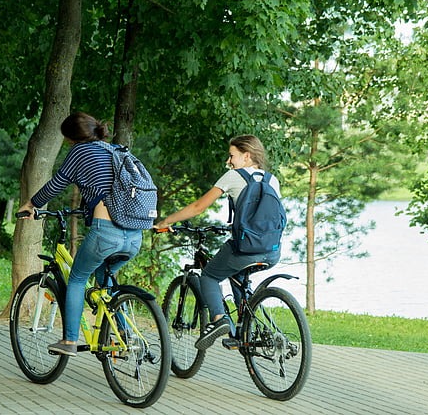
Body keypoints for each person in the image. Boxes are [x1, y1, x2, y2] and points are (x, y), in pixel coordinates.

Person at [17, 112, 143, 356]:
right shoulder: (113, 150)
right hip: (135, 235)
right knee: (105, 278)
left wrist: (31, 204)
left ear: (72, 137)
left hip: (106, 233)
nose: (67, 144)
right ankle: (124, 333)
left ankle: (69, 341)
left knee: (76, 279)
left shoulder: (80, 152)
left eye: (67, 139)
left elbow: (56, 184)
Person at [154, 135, 282, 350]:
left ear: (247, 155)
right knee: (237, 274)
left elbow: (198, 207)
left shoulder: (233, 176)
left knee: (210, 275)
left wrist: (166, 221)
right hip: (272, 251)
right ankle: (244, 332)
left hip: (245, 250)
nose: (229, 160)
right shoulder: (272, 179)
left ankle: (219, 319)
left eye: (232, 155)